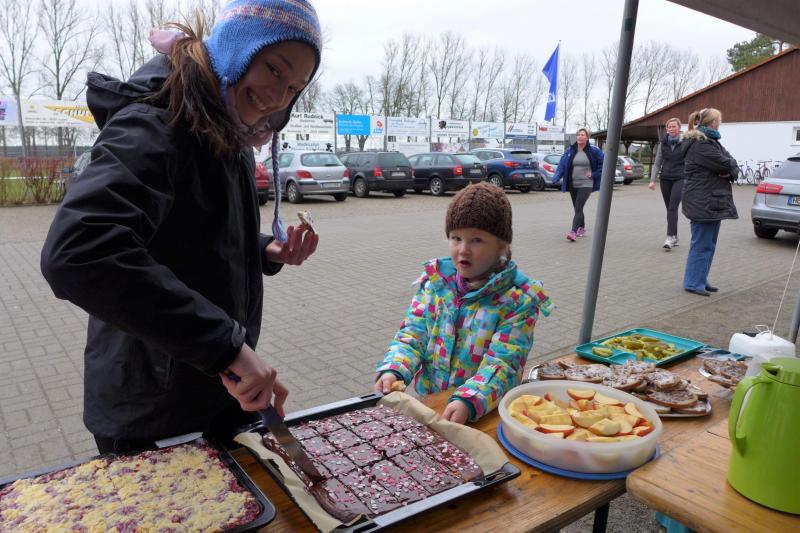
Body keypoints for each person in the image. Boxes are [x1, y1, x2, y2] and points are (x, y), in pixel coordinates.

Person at [39, 0, 322, 453]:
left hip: (217, 386)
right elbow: (79, 251)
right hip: (152, 406)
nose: (278, 96)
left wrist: (264, 249)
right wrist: (227, 348)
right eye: (274, 69)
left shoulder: (231, 130)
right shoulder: (155, 123)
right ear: (237, 49)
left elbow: (193, 234)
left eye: (294, 88)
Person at [373, 183, 553, 424]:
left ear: (501, 245)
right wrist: (394, 368)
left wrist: (470, 400)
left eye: (476, 240)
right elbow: (412, 335)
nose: (463, 250)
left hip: (480, 411)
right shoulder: (435, 285)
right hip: (430, 403)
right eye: (456, 238)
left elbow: (504, 363)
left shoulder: (517, 301)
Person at [681, 108, 738, 296]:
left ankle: (700, 278)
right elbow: (726, 164)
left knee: (709, 244)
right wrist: (728, 169)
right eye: (718, 121)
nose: (719, 124)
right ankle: (693, 282)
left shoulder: (712, 143)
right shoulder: (701, 145)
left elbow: (732, 164)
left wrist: (729, 171)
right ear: (713, 122)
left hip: (712, 201)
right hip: (702, 202)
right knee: (701, 244)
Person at [551, 127, 604, 241]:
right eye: (578, 135)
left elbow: (603, 165)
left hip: (586, 184)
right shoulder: (570, 150)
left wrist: (594, 174)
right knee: (577, 208)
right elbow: (562, 165)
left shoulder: (594, 151)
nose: (580, 137)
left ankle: (573, 232)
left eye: (582, 135)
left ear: (587, 137)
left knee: (579, 206)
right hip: (573, 184)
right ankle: (582, 228)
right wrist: (556, 177)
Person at [649, 118, 687, 250]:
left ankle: (670, 237)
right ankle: (675, 236)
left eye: (674, 126)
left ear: (679, 127)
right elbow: (657, 163)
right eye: (669, 127)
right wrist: (652, 180)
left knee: (672, 208)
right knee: (670, 209)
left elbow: (691, 160)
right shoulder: (663, 143)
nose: (671, 129)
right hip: (665, 178)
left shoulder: (685, 142)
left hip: (680, 178)